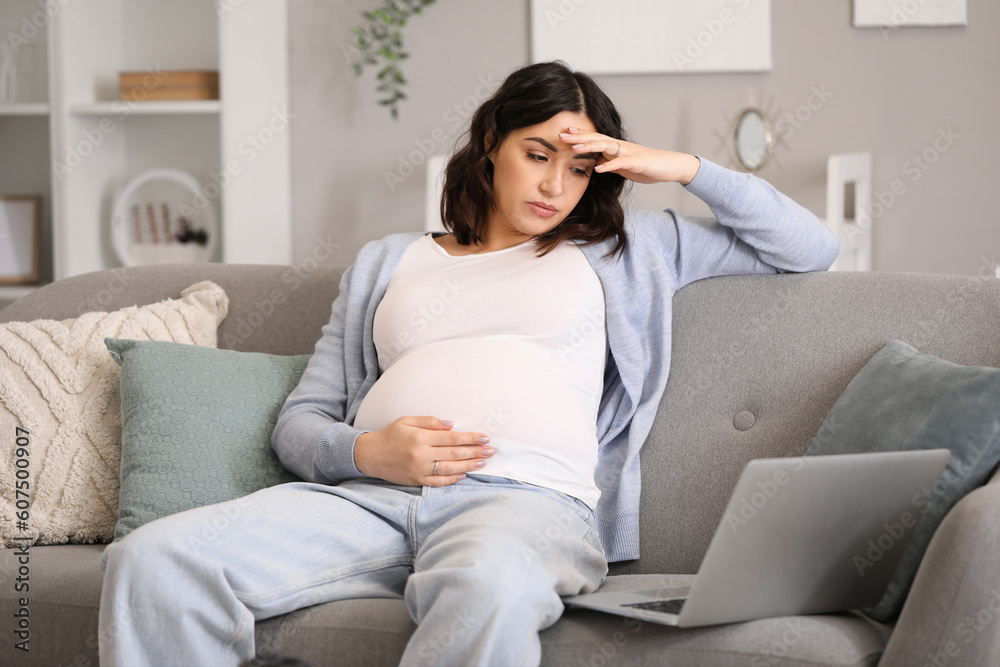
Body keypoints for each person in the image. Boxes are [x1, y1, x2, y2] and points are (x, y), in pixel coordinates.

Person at [98, 60, 839, 667]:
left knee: (488, 584)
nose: (554, 185)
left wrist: (681, 167)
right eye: (537, 154)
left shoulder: (628, 250)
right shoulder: (389, 261)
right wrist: (364, 449)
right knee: (153, 561)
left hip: (523, 505)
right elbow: (301, 422)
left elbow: (810, 248)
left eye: (579, 166)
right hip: (368, 500)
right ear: (492, 141)